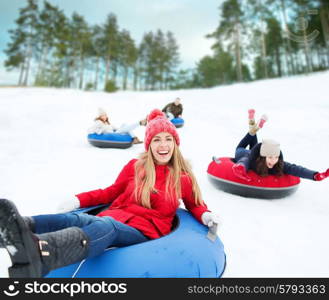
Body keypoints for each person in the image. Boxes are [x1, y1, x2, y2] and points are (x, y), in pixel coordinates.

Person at [0, 109, 219, 278]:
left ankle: (43, 254)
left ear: (175, 143)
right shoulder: (136, 166)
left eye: (168, 139)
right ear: (149, 144)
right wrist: (79, 199)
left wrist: (206, 215)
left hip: (144, 231)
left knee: (106, 227)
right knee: (76, 218)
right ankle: (15, 227)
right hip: (116, 215)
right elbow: (111, 192)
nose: (163, 145)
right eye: (157, 140)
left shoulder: (182, 178)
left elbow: (195, 205)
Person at [231, 109, 329, 182]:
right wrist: (240, 167)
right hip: (241, 151)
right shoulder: (251, 159)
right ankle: (253, 123)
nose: (274, 160)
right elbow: (244, 161)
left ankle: (253, 122)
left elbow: (295, 168)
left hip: (255, 151)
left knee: (252, 133)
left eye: (276, 157)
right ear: (263, 156)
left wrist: (315, 175)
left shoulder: (277, 164)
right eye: (270, 157)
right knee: (250, 136)